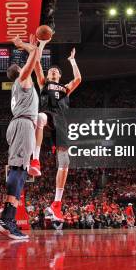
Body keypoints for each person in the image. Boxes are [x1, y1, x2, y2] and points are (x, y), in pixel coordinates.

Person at [0, 35, 45, 240]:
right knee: (17, 170)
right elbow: (34, 55)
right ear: (20, 72)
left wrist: (38, 45)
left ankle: (8, 218)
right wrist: (24, 45)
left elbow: (36, 55)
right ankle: (6, 219)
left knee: (21, 172)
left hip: (22, 125)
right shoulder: (22, 80)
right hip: (22, 125)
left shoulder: (21, 86)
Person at [29, 48, 81, 222]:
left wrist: (72, 60)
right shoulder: (43, 82)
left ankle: (56, 204)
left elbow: (79, 79)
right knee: (39, 118)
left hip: (61, 123)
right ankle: (35, 160)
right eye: (51, 70)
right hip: (47, 114)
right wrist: (38, 48)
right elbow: (36, 65)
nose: (52, 71)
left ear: (59, 75)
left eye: (56, 71)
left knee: (65, 163)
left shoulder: (65, 88)